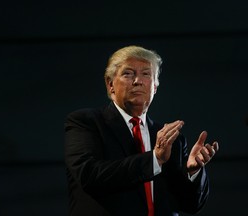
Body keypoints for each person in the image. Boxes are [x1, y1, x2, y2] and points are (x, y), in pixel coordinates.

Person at [64, 45, 219, 216]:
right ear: (110, 85)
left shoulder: (171, 139)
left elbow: (190, 205)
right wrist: (155, 159)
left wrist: (193, 172)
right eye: (128, 73)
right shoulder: (86, 122)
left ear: (155, 87)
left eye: (146, 74)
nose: (138, 81)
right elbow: (89, 176)